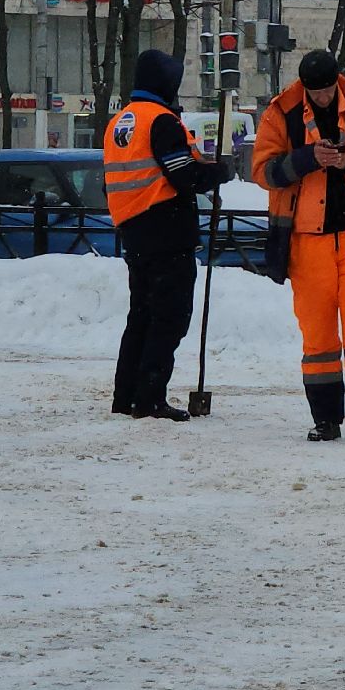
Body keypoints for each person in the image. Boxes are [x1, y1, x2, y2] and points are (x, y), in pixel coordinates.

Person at [253, 50, 345, 442]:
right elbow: (262, 171)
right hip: (306, 240)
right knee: (318, 335)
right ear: (304, 87)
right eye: (315, 92)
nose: (322, 98)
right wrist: (307, 158)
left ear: (338, 81)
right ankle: (326, 420)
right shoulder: (281, 112)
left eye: (327, 90)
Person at [106, 49, 231, 421]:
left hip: (134, 229)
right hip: (166, 231)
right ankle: (150, 399)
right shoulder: (161, 121)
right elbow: (184, 176)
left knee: (141, 316)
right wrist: (218, 172)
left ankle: (126, 396)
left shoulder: (122, 120)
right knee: (169, 319)